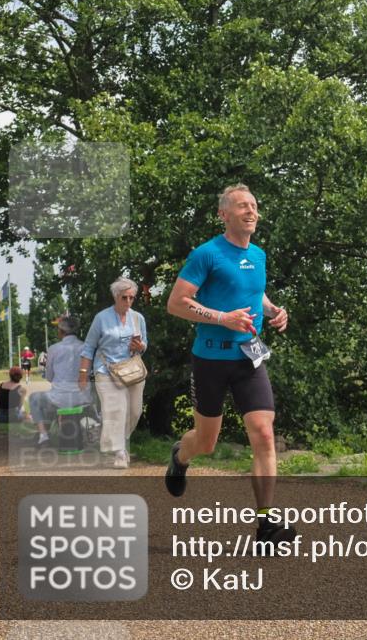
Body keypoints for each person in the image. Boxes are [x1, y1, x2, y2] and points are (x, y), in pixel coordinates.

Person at [165, 184, 291, 543]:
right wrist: (222, 318)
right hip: (211, 359)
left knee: (264, 434)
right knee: (206, 443)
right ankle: (180, 455)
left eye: (254, 205)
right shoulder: (207, 255)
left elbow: (254, 293)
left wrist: (274, 311)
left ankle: (266, 524)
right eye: (242, 206)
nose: (251, 211)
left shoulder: (260, 255)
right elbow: (176, 303)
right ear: (224, 214)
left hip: (249, 358)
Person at [80, 277, 148, 469]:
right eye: (124, 297)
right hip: (106, 370)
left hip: (132, 370)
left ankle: (121, 438)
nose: (128, 302)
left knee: (135, 411)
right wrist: (83, 373)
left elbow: (144, 346)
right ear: (116, 296)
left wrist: (140, 346)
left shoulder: (138, 318)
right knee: (115, 409)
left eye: (131, 298)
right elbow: (88, 347)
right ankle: (119, 451)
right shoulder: (101, 318)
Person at [30, 316, 91, 445]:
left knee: (35, 398)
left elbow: (49, 377)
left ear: (61, 331)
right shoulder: (86, 347)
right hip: (83, 397)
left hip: (59, 399)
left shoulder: (53, 348)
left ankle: (43, 435)